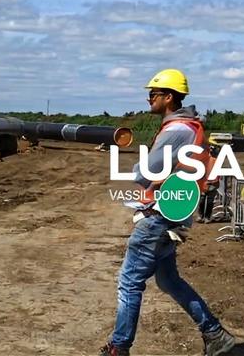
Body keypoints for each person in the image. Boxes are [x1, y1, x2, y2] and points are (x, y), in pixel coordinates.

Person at [99, 69, 235, 356]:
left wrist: (138, 169)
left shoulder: (176, 131)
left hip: (159, 215)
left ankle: (119, 348)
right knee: (167, 279)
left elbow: (146, 171)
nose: (149, 98)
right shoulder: (189, 127)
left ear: (169, 97)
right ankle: (214, 333)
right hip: (172, 210)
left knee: (129, 281)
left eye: (154, 94)